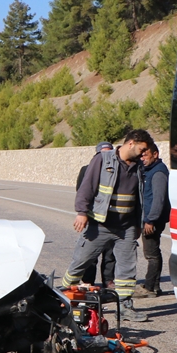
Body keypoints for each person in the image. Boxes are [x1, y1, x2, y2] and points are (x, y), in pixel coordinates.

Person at [63, 129, 155, 322]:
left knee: (127, 269)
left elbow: (139, 198)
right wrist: (82, 212)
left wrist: (138, 223)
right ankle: (62, 299)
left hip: (126, 228)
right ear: (132, 143)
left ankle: (126, 306)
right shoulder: (103, 160)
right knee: (80, 263)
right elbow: (87, 186)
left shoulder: (138, 167)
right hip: (100, 225)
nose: (144, 153)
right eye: (142, 148)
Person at [77, 143, 116, 287]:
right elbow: (81, 192)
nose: (106, 156)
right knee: (90, 251)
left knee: (110, 252)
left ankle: (108, 280)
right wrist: (83, 213)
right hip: (93, 217)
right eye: (103, 152)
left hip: (112, 218)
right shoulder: (86, 170)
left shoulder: (117, 169)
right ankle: (88, 281)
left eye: (109, 152)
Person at [137, 144, 170, 298]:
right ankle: (154, 286)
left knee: (151, 254)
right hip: (150, 218)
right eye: (141, 155)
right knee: (153, 251)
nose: (142, 158)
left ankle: (149, 287)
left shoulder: (158, 172)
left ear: (155, 154)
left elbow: (159, 199)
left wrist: (150, 220)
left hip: (152, 220)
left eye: (146, 154)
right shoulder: (149, 170)